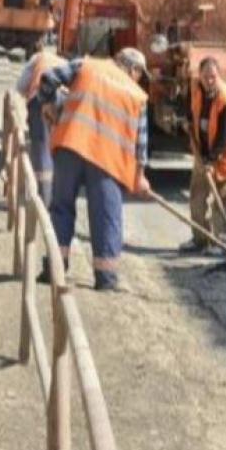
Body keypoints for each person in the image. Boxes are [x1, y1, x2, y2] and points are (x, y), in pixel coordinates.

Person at [36, 48, 151, 291]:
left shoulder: (86, 65)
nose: (139, 79)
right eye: (140, 73)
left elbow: (48, 77)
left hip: (71, 146)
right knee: (106, 215)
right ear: (133, 70)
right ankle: (106, 278)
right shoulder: (137, 96)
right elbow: (141, 145)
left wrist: (47, 103)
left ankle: (54, 269)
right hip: (106, 162)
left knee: (61, 208)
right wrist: (140, 178)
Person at [179, 57, 226, 253]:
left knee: (220, 201)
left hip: (224, 157)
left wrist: (213, 160)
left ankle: (222, 242)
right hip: (202, 153)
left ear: (219, 76)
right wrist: (188, 121)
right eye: (206, 76)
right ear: (200, 75)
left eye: (213, 76)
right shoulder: (197, 89)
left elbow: (224, 135)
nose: (209, 80)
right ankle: (200, 240)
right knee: (197, 198)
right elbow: (192, 112)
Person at [15, 42, 65, 206]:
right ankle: (57, 198)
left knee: (42, 148)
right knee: (59, 149)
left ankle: (43, 200)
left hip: (41, 98)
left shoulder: (36, 59)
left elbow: (20, 87)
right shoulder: (63, 62)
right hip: (65, 99)